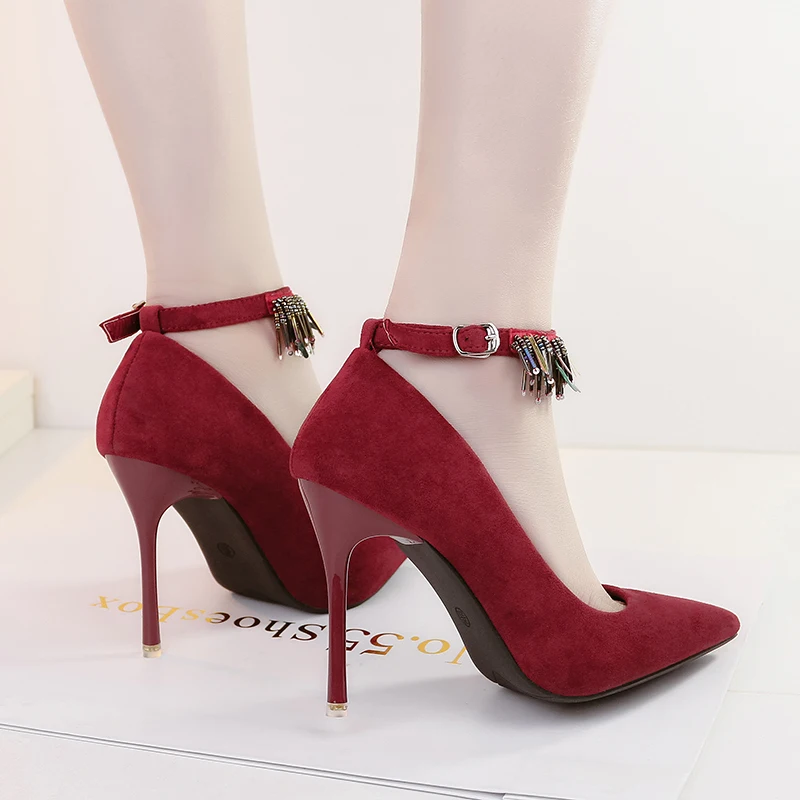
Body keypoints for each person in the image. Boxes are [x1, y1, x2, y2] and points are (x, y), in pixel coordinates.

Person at [66, 0, 738, 715]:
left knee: (207, 286)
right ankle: (462, 377)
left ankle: (208, 335)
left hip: (184, 377)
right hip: (440, 397)